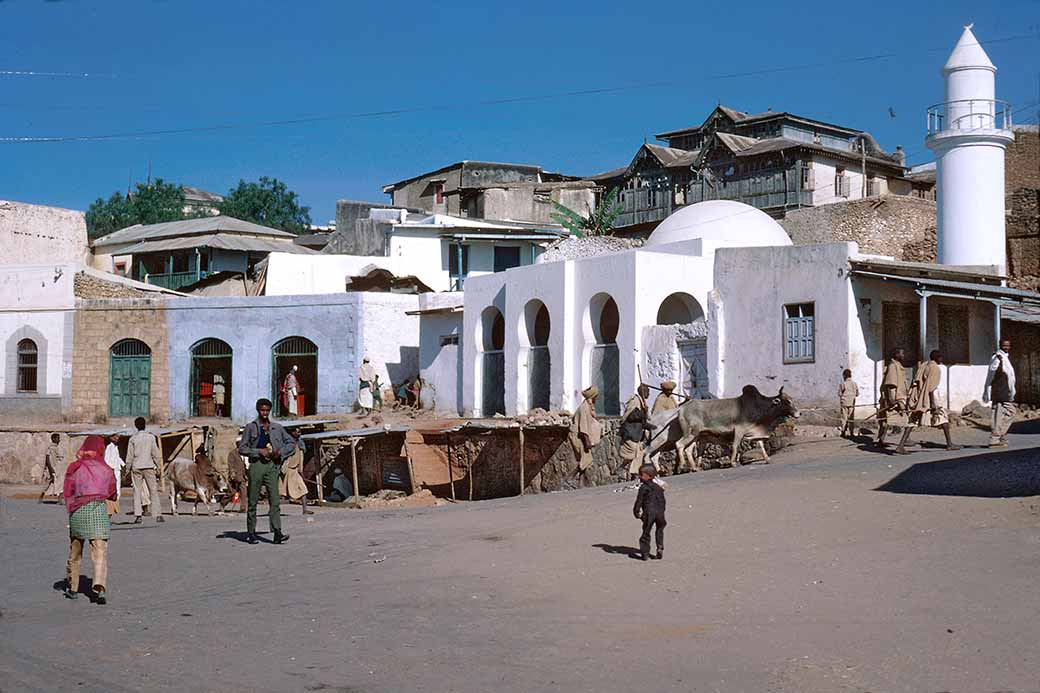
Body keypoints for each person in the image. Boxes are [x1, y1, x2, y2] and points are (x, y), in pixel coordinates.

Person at [63, 436, 117, 603]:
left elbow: (68, 490)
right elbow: (113, 493)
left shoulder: (75, 467)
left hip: (78, 513)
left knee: (75, 552)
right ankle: (99, 589)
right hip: (98, 513)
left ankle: (73, 587)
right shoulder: (107, 470)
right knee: (100, 552)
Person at [239, 398, 296, 545]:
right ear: (258, 410)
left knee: (275, 501)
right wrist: (259, 451)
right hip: (257, 465)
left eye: (267, 410)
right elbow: (242, 448)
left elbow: (291, 443)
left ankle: (277, 532)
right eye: (262, 410)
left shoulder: (277, 428)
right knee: (253, 501)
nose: (264, 413)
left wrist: (280, 453)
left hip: (272, 466)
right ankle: (251, 533)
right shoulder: (250, 427)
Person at [895, 350, 962, 454]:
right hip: (929, 397)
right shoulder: (935, 368)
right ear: (938, 358)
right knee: (943, 417)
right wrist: (932, 403)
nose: (942, 360)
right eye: (941, 357)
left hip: (921, 397)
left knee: (913, 420)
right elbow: (931, 387)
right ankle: (949, 444)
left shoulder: (925, 365)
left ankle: (901, 445)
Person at [127, 417, 164, 524]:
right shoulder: (151, 437)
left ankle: (138, 515)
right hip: (148, 466)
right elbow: (155, 453)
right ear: (145, 425)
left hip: (136, 467)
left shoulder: (133, 439)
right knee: (153, 490)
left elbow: (129, 456)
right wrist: (159, 466)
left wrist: (127, 470)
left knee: (137, 491)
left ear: (136, 426)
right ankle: (157, 514)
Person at [983, 338, 1016, 448]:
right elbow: (990, 375)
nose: (1006, 347)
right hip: (999, 391)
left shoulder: (1005, 358)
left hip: (1004, 391)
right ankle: (995, 438)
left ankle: (999, 435)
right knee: (999, 415)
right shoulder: (997, 358)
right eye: (1004, 345)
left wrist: (1011, 391)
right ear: (1000, 345)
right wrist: (986, 389)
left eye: (1008, 345)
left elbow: (1010, 377)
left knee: (1008, 413)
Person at [632, 463, 667, 561]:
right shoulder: (659, 488)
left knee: (646, 533)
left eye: (641, 475)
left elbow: (639, 501)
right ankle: (660, 548)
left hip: (649, 513)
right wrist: (662, 511)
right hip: (660, 513)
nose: (639, 477)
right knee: (659, 530)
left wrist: (636, 512)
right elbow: (663, 501)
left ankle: (645, 553)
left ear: (649, 476)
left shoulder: (643, 488)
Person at [875, 348, 908, 448]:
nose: (903, 355)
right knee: (905, 421)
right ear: (897, 355)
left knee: (887, 421)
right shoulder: (893, 366)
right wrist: (891, 399)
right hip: (894, 399)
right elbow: (889, 384)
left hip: (897, 398)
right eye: (902, 353)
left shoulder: (897, 366)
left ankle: (881, 439)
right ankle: (904, 442)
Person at [569, 386, 602, 487]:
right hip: (579, 436)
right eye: (596, 396)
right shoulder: (584, 408)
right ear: (593, 397)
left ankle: (581, 483)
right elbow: (583, 427)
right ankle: (570, 477)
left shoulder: (588, 407)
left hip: (581, 436)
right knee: (586, 459)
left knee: (584, 459)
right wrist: (587, 441)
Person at [621, 384, 652, 478]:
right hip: (630, 432)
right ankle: (631, 471)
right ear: (643, 392)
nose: (649, 394)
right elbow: (630, 416)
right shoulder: (635, 401)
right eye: (647, 392)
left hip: (637, 433)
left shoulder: (642, 402)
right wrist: (643, 412)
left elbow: (645, 419)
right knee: (635, 452)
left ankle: (633, 472)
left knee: (638, 452)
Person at [280, 428, 312, 515]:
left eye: (300, 432)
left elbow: (300, 459)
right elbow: (284, 457)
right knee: (280, 491)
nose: (299, 433)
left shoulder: (300, 444)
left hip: (295, 471)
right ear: (292, 432)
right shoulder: (288, 445)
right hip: (287, 470)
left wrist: (300, 471)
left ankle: (305, 510)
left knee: (303, 489)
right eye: (297, 432)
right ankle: (273, 509)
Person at [38, 432, 65, 503]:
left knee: (60, 483)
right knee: (48, 483)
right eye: (57, 438)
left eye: (59, 438)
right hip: (52, 468)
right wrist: (51, 469)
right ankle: (41, 496)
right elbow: (47, 459)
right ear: (53, 439)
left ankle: (60, 500)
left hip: (58, 468)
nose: (59, 440)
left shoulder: (58, 447)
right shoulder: (50, 448)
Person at [103, 433, 125, 517]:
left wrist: (123, 465)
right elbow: (107, 460)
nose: (117, 438)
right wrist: (110, 470)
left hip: (117, 470)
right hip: (112, 471)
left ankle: (114, 508)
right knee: (113, 490)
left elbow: (117, 458)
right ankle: (110, 510)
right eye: (116, 436)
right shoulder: (109, 447)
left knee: (117, 489)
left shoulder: (116, 448)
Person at [226, 448, 249, 513]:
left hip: (242, 476)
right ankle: (223, 503)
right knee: (232, 492)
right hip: (235, 476)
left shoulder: (245, 452)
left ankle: (243, 508)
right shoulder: (232, 453)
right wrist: (232, 473)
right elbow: (230, 464)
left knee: (244, 491)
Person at [838, 369, 859, 438]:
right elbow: (857, 394)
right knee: (851, 418)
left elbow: (839, 393)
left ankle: (843, 432)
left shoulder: (843, 384)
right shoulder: (854, 384)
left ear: (844, 376)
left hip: (844, 403)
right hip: (852, 403)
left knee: (844, 418)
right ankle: (851, 432)